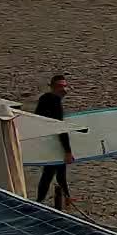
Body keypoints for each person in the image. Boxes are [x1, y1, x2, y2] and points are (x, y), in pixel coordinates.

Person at [34, 73, 75, 207]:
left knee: (52, 172)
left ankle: (64, 197)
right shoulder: (54, 100)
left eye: (65, 86)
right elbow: (60, 128)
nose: (63, 89)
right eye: (59, 87)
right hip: (52, 141)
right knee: (52, 172)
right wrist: (68, 151)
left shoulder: (44, 98)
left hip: (46, 140)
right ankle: (40, 202)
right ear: (52, 87)